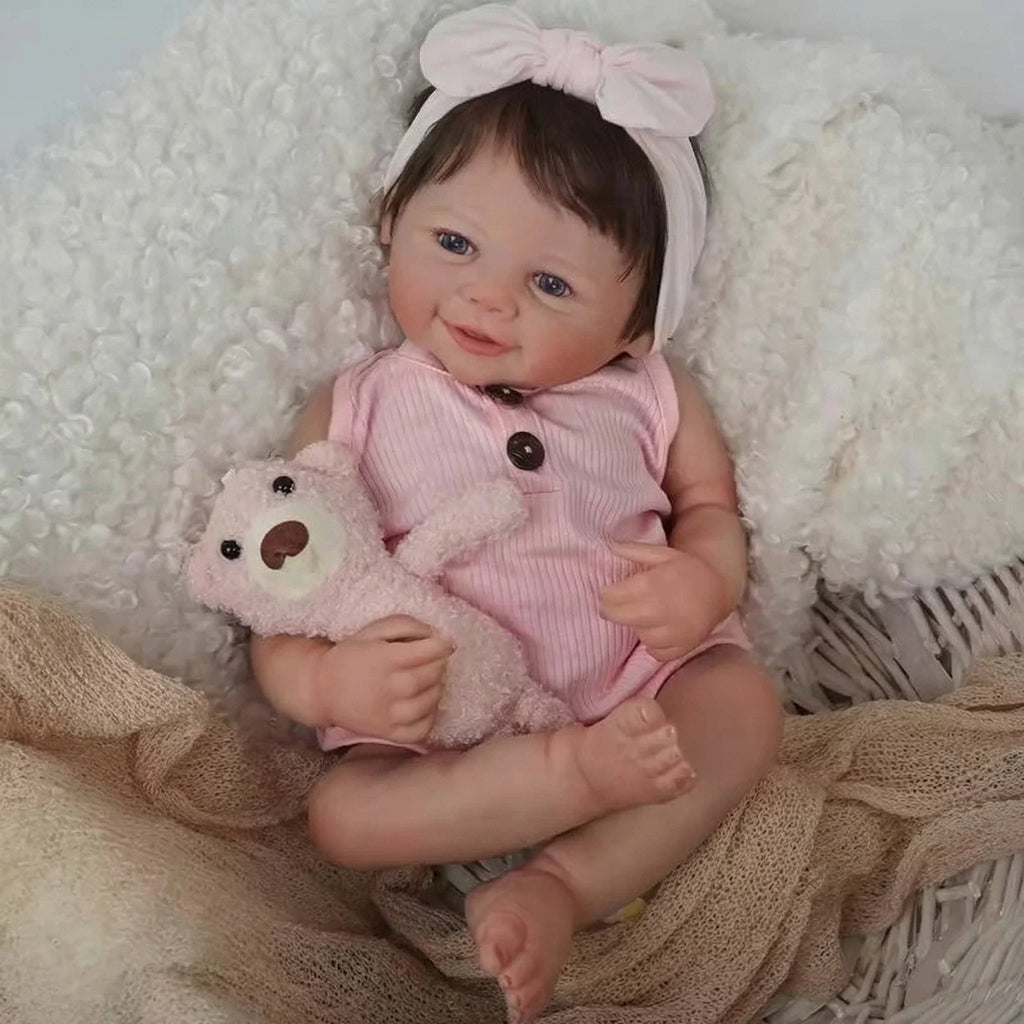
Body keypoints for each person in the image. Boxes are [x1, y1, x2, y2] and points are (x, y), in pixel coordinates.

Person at [250, 5, 782, 1021]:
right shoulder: (357, 403)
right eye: (454, 242)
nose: (487, 299)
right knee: (342, 817)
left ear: (638, 322)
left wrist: (705, 581)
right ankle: (563, 781)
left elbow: (710, 507)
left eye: (549, 282)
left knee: (742, 706)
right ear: (391, 224)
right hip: (431, 716)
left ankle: (564, 884)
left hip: (636, 687)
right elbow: (284, 588)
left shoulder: (650, 392)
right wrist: (325, 681)